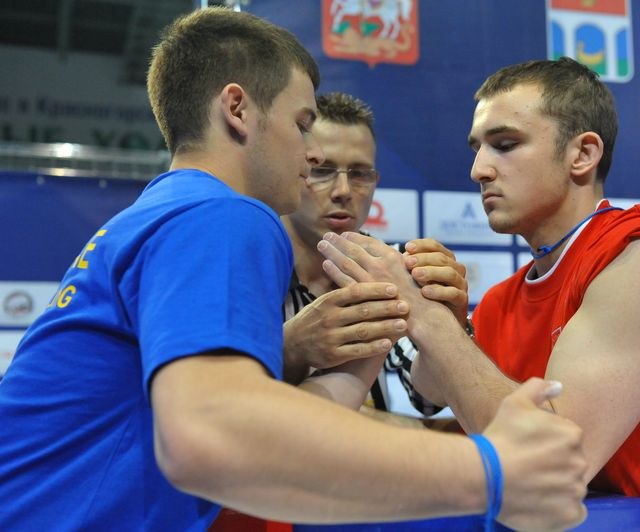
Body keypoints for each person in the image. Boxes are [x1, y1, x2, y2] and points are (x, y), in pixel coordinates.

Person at [0, 9, 588, 531]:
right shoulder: (223, 216)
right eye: (303, 123)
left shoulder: (167, 213)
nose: (311, 154)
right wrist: (494, 472)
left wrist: (370, 341)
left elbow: (272, 423)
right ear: (237, 110)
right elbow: (212, 437)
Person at [316, 57, 640, 531]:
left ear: (582, 154)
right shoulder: (499, 301)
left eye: (506, 144)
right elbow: (434, 394)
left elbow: (559, 458)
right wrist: (443, 318)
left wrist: (427, 319)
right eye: (477, 148)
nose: (478, 169)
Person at [280, 91, 461, 421]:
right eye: (322, 170)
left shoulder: (387, 264)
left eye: (361, 173)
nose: (344, 191)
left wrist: (446, 328)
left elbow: (427, 399)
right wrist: (287, 350)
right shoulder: (250, 259)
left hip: (365, 467)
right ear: (297, 167)